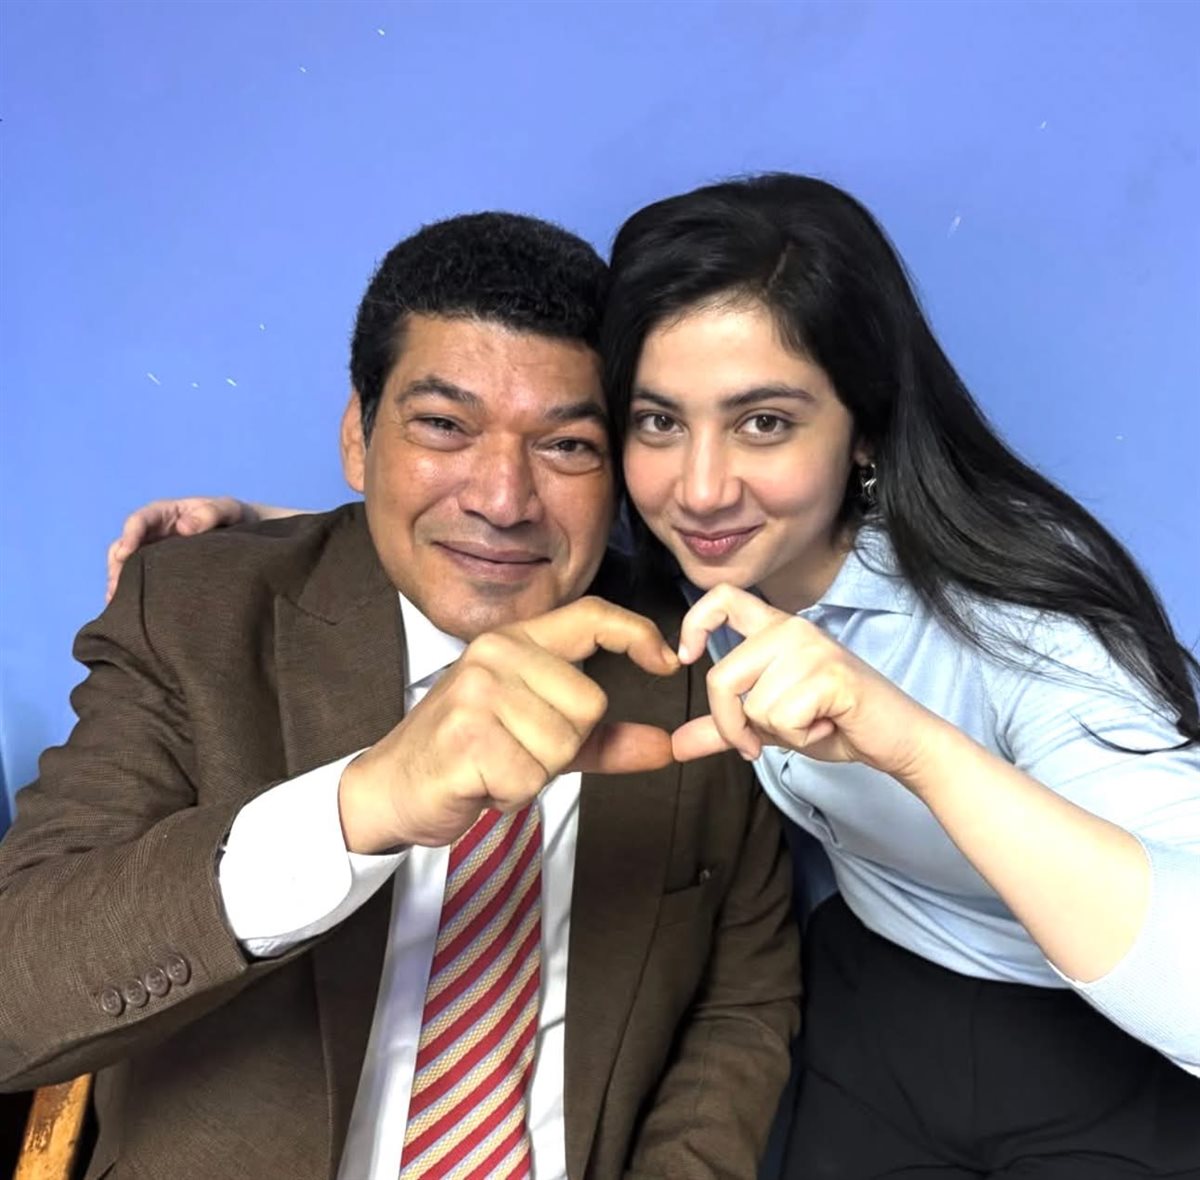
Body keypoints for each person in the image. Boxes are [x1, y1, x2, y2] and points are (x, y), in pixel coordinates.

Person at [120, 174, 1200, 1178]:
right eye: (658, 422)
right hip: (876, 982)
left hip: (1088, 1022)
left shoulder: (1029, 632)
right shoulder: (702, 568)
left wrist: (914, 744)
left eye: (765, 423)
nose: (702, 487)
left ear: (864, 433)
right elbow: (502, 517)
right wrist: (270, 531)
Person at [0, 212, 800, 1180]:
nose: (502, 499)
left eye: (567, 445)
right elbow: (14, 997)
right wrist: (360, 806)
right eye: (444, 427)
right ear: (358, 436)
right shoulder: (198, 614)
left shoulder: (700, 656)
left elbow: (739, 1003)